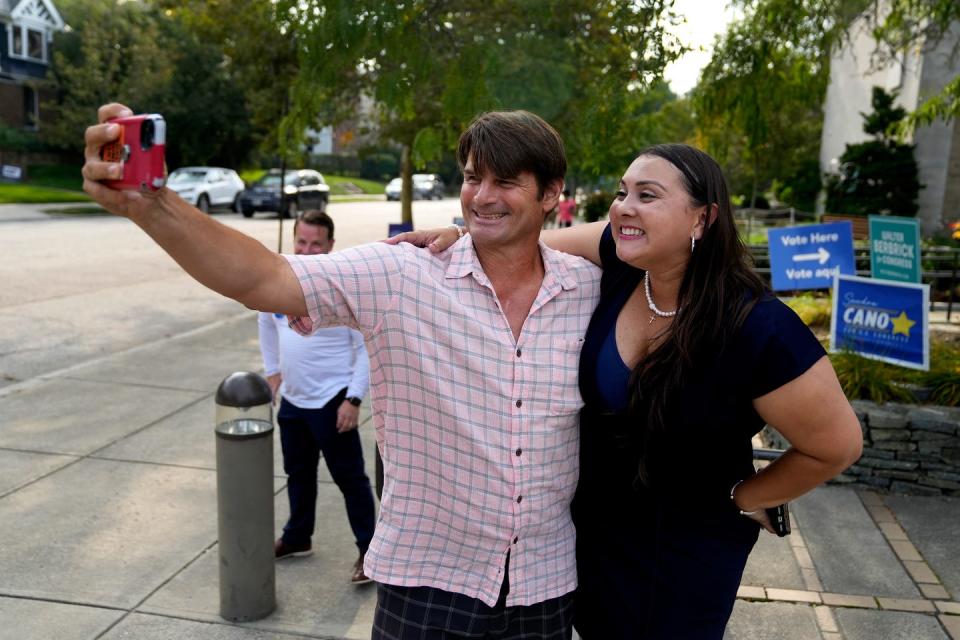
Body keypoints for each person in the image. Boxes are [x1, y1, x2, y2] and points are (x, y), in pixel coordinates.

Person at [83, 104, 602, 639]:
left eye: (507, 182)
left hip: (545, 583)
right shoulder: (402, 274)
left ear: (550, 193)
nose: (483, 196)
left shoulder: (587, 288)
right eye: (472, 178)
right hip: (426, 580)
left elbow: (659, 235)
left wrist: (530, 243)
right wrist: (153, 206)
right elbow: (264, 278)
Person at [390, 143, 863, 639]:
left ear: (702, 218)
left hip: (683, 557)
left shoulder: (758, 327)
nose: (624, 207)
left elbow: (836, 446)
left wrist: (745, 495)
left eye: (648, 195)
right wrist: (465, 235)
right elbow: (530, 240)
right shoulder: (619, 267)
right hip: (591, 543)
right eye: (622, 192)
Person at [258, 209, 376, 584]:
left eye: (315, 244)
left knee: (351, 481)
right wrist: (272, 370)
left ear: (330, 247)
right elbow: (265, 320)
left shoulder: (341, 290)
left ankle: (369, 552)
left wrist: (353, 399)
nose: (306, 251)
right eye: (301, 242)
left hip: (333, 400)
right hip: (293, 402)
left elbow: (366, 349)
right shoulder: (279, 282)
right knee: (298, 474)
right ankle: (297, 537)